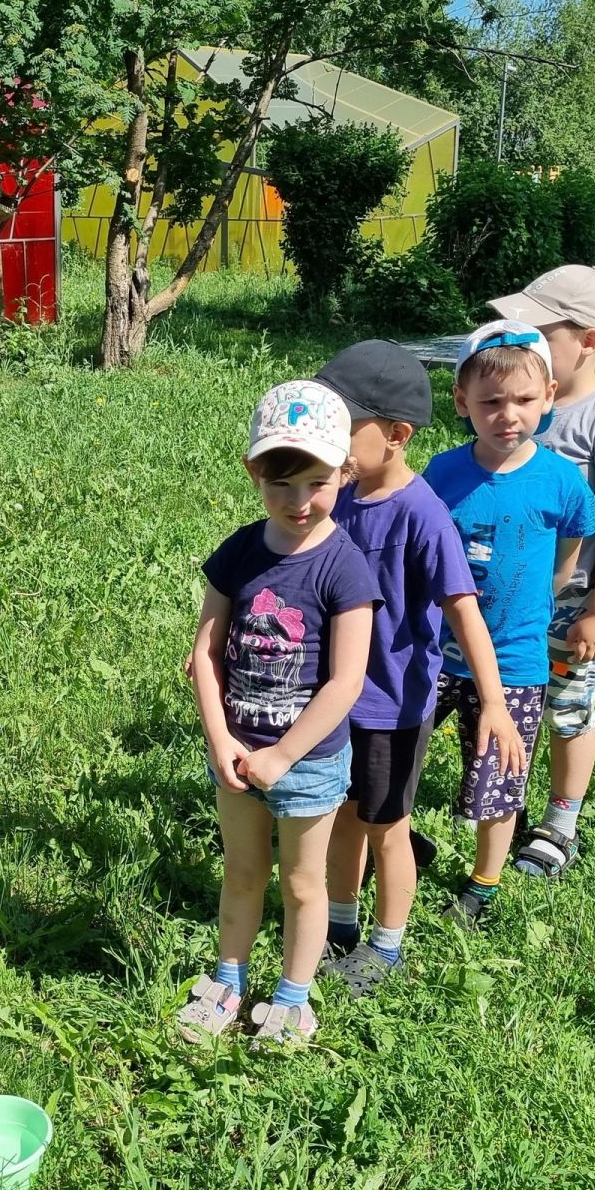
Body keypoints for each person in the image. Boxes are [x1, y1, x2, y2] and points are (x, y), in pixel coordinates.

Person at [310, 341, 518, 996]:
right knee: (343, 815)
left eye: (344, 429)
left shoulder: (422, 513)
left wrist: (495, 703)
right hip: (333, 700)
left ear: (396, 436)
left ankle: (387, 946)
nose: (330, 444)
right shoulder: (339, 494)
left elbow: (464, 614)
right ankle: (340, 926)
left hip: (392, 706)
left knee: (387, 827)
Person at [181, 381, 380, 1046]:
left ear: (345, 474)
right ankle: (226, 985)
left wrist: (283, 755)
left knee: (301, 882)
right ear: (253, 472)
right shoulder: (239, 552)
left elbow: (347, 682)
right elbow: (204, 654)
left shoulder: (344, 567)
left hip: (309, 764)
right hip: (237, 753)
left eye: (317, 483)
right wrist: (220, 741)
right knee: (241, 872)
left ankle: (293, 1000)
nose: (299, 502)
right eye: (282, 484)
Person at [423, 322, 595, 922]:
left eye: (525, 400)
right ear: (462, 403)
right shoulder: (443, 473)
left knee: (498, 774)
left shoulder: (559, 478)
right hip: (434, 650)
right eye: (491, 402)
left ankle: (484, 883)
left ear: (550, 396)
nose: (508, 415)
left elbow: (575, 539)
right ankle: (388, 840)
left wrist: (547, 596)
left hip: (518, 658)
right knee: (400, 751)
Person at [480, 266, 595, 876]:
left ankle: (561, 821)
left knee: (567, 710)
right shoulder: (520, 406)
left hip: (570, 608)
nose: (520, 340)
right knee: (504, 701)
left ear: (590, 342)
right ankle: (504, 803)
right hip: (504, 604)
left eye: (538, 330)